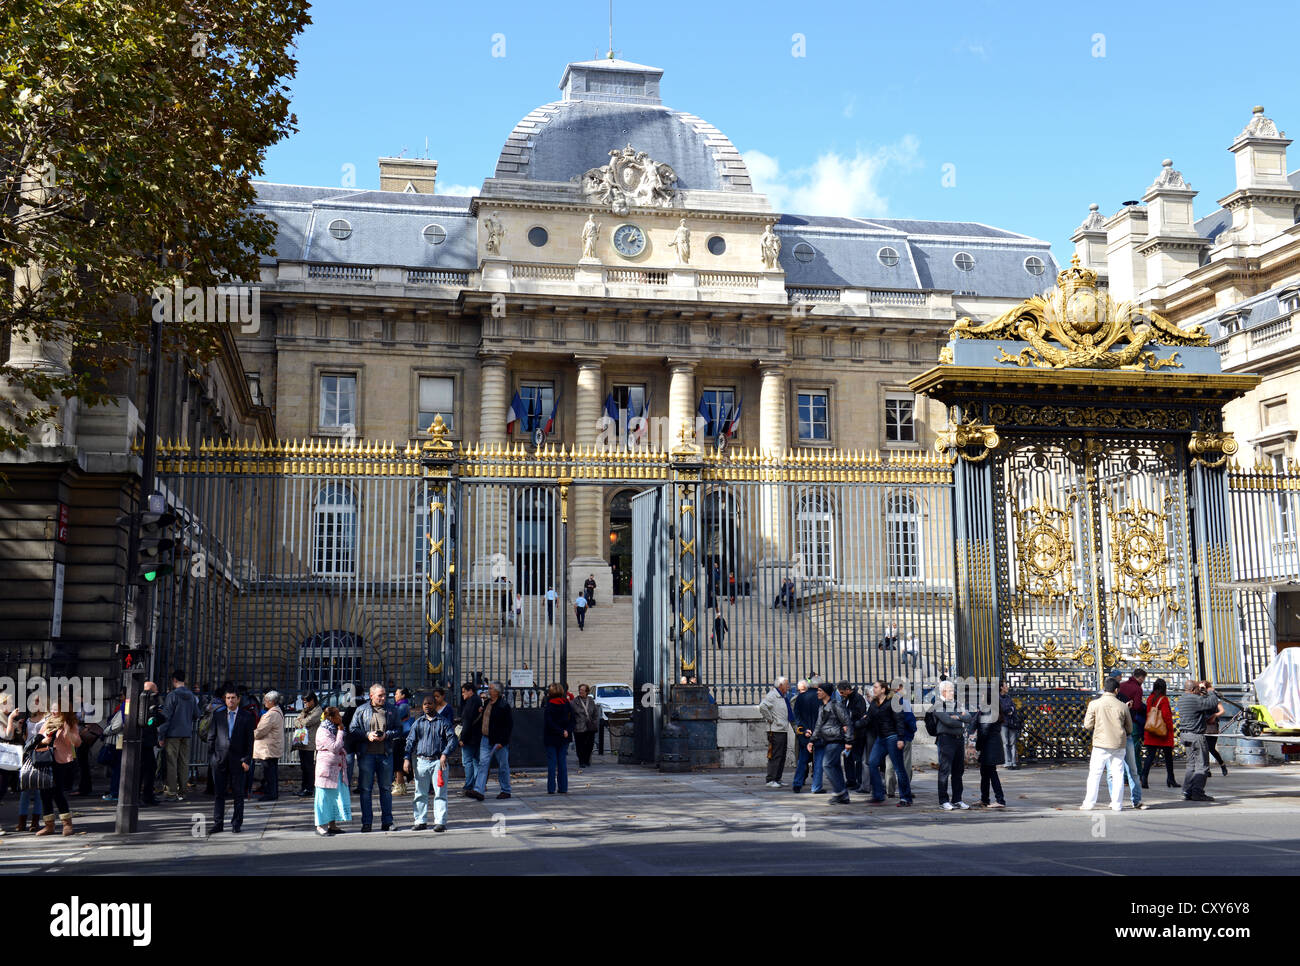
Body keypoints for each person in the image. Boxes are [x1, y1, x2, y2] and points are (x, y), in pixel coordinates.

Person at [348, 683, 401, 831]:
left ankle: (387, 822)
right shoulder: (361, 710)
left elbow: (398, 729)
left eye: (385, 695)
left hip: (385, 754)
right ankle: (366, 822)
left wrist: (386, 735)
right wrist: (367, 735)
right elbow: (352, 729)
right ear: (371, 696)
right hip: (367, 756)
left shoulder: (392, 709)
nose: (383, 698)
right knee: (365, 789)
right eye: (380, 696)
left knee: (385, 788)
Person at [405, 695, 458, 831]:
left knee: (440, 792)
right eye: (424, 704)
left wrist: (445, 754)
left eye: (430, 703)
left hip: (438, 763)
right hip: (421, 762)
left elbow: (453, 740)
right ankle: (420, 821)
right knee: (420, 793)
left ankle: (440, 822)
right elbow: (410, 741)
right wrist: (406, 758)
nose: (427, 706)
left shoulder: (443, 722)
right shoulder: (418, 722)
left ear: (435, 705)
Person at [1081, 677, 1133, 811]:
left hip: (1100, 743)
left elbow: (1087, 725)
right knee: (1118, 774)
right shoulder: (1123, 706)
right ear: (1117, 690)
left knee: (1095, 774)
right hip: (1118, 744)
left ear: (1104, 688)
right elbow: (1129, 729)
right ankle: (1117, 804)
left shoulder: (1094, 704)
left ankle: (1089, 803)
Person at [208, 685, 254, 834]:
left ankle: (236, 823)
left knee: (238, 794)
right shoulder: (218, 715)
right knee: (219, 793)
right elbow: (211, 738)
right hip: (220, 760)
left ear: (238, 699)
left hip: (238, 760)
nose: (231, 701)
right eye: (228, 698)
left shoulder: (246, 717)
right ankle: (218, 823)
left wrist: (247, 760)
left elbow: (249, 741)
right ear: (224, 699)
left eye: (233, 698)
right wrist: (213, 758)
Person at [32, 701, 81, 836]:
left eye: (56, 710)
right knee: (44, 793)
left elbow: (77, 742)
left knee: (57, 792)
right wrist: (44, 741)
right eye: (52, 709)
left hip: (61, 761)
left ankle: (67, 824)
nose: (53, 712)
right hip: (46, 760)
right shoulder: (48, 722)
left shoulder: (70, 723)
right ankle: (49, 825)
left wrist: (66, 730)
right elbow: (39, 740)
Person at [865, 679, 912, 806]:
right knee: (872, 763)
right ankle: (878, 794)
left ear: (883, 689)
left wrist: (901, 738)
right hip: (881, 738)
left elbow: (899, 720)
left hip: (893, 737)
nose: (873, 689)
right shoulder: (874, 704)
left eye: (876, 687)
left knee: (899, 768)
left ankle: (906, 798)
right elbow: (868, 719)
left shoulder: (893, 701)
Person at [158, 670, 199, 802]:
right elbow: (197, 714)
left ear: (174, 680)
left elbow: (166, 717)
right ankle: (183, 791)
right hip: (186, 733)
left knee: (172, 763)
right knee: (183, 762)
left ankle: (171, 791)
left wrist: (161, 735)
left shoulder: (172, 695)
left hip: (172, 733)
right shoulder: (191, 696)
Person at [1177, 679, 1221, 802]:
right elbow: (1212, 704)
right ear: (1192, 689)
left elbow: (1205, 707)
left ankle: (1187, 790)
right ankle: (1198, 792)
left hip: (1185, 735)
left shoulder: (1182, 699)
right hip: (1196, 735)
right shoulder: (1194, 699)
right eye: (1196, 688)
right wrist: (1211, 692)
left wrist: (1202, 691)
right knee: (1202, 766)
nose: (1198, 690)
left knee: (1191, 765)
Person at [809, 682, 852, 804]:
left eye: (820, 690)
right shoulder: (821, 707)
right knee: (836, 767)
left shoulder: (836, 705)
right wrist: (812, 740)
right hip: (827, 740)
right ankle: (843, 795)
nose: (817, 692)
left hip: (836, 740)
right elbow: (818, 725)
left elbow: (847, 722)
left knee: (827, 765)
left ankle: (839, 793)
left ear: (826, 693)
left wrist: (849, 741)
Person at [933, 680, 972, 810]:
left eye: (953, 690)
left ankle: (957, 799)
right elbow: (947, 721)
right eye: (950, 690)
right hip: (946, 740)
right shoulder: (938, 704)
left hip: (959, 739)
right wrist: (961, 721)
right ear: (943, 691)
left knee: (958, 770)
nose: (953, 692)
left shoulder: (957, 703)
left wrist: (958, 718)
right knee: (945, 770)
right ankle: (943, 800)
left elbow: (969, 717)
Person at [471, 681, 513, 800]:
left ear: (497, 692)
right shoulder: (488, 703)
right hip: (486, 738)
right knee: (483, 764)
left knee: (503, 765)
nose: (488, 690)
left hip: (499, 741)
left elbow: (508, 726)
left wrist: (502, 741)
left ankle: (506, 790)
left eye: (491, 689)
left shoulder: (503, 706)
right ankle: (478, 789)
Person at [313, 705, 350, 835]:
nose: (340, 718)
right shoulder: (323, 730)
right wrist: (340, 731)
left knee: (335, 796)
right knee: (323, 797)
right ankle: (321, 826)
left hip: (337, 769)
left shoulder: (333, 728)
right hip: (327, 769)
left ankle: (332, 825)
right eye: (338, 715)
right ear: (331, 717)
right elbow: (334, 747)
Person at [1140, 677, 1178, 789]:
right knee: (1168, 758)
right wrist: (1171, 729)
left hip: (1151, 731)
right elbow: (1166, 716)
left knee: (1150, 756)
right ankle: (1171, 779)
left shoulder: (1150, 698)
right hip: (1162, 732)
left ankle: (1144, 777)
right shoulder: (1164, 699)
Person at [885, 680, 917, 799]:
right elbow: (909, 719)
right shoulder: (904, 701)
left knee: (890, 763)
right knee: (905, 764)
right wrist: (912, 730)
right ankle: (905, 789)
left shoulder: (885, 701)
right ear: (899, 688)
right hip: (904, 736)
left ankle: (890, 789)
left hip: (890, 736)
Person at [250, 691, 284, 801]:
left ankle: (271, 793)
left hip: (268, 748)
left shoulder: (271, 714)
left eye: (266, 700)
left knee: (269, 772)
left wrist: (250, 735)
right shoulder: (277, 711)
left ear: (272, 701)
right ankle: (272, 792)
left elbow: (261, 731)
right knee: (271, 771)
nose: (264, 702)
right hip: (271, 746)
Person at [758, 677, 791, 788]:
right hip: (775, 730)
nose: (788, 687)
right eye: (786, 684)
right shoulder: (772, 695)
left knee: (781, 755)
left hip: (782, 729)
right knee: (775, 755)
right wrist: (770, 718)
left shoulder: (782, 696)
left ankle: (777, 778)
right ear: (780, 685)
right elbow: (762, 706)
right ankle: (771, 779)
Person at [790, 680, 821, 793]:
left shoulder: (800, 698)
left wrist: (804, 729)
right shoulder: (821, 698)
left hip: (805, 733)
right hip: (818, 733)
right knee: (817, 760)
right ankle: (816, 785)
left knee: (802, 760)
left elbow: (796, 717)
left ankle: (797, 783)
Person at [542, 683, 574, 794]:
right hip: (564, 737)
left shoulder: (549, 705)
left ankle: (551, 788)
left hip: (551, 737)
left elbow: (549, 722)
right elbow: (572, 720)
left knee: (552, 764)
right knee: (562, 763)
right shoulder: (567, 704)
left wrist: (559, 731)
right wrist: (566, 731)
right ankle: (563, 787)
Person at [837, 681, 868, 791]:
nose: (840, 694)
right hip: (849, 732)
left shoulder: (858, 699)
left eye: (842, 692)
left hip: (857, 733)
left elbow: (858, 715)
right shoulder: (846, 699)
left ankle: (859, 780)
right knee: (847, 757)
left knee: (857, 758)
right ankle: (851, 780)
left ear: (848, 690)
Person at [975, 699, 1006, 809]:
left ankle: (1000, 799)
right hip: (992, 745)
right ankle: (985, 798)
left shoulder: (988, 711)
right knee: (985, 773)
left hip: (989, 746)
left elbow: (984, 730)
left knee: (991, 773)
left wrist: (978, 746)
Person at [138, 681, 162, 806]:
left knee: (149, 768)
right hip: (143, 740)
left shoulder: (150, 702)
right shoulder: (147, 702)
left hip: (146, 740)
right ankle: (143, 796)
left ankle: (147, 796)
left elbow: (158, 718)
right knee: (143, 769)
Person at [295, 692, 323, 798]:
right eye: (304, 702)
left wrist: (300, 721)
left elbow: (306, 722)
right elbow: (296, 721)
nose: (305, 704)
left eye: (306, 702)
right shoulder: (306, 710)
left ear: (312, 700)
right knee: (303, 766)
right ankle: (304, 787)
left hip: (310, 742)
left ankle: (309, 788)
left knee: (309, 767)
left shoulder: (318, 710)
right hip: (302, 740)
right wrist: (300, 721)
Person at [458, 682, 483, 795]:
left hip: (469, 737)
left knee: (467, 761)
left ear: (470, 691)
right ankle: (478, 784)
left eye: (464, 692)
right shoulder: (477, 701)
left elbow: (467, 721)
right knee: (475, 761)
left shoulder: (471, 702)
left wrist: (462, 738)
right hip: (477, 736)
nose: (462, 694)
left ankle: (469, 785)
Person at [391, 688, 413, 796]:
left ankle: (400, 785)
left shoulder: (403, 706)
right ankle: (400, 784)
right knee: (396, 761)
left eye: (396, 693)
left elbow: (394, 718)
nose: (395, 695)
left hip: (401, 737)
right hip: (397, 736)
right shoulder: (399, 705)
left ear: (403, 695)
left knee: (398, 761)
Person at [1204, 681, 1228, 778]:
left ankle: (1222, 764)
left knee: (1211, 748)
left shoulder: (1214, 698)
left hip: (1212, 725)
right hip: (1203, 725)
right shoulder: (1201, 698)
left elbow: (1222, 710)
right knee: (1204, 749)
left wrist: (1215, 715)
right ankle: (1207, 769)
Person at [571, 684, 598, 769]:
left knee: (589, 744)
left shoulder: (591, 700)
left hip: (590, 727)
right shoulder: (575, 701)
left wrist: (594, 721)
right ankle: (581, 761)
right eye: (580, 690)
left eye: (583, 690)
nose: (581, 691)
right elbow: (574, 712)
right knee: (580, 745)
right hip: (579, 727)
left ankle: (586, 760)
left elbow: (595, 712)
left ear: (587, 691)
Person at [998, 683, 1021, 769]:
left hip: (1011, 722)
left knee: (1013, 743)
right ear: (1001, 687)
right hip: (1003, 723)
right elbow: (1002, 708)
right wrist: (1009, 709)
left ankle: (1013, 762)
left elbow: (1013, 708)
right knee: (1005, 743)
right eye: (1006, 686)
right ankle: (1007, 762)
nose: (1007, 687)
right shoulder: (997, 698)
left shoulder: (1008, 697)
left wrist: (1010, 709)